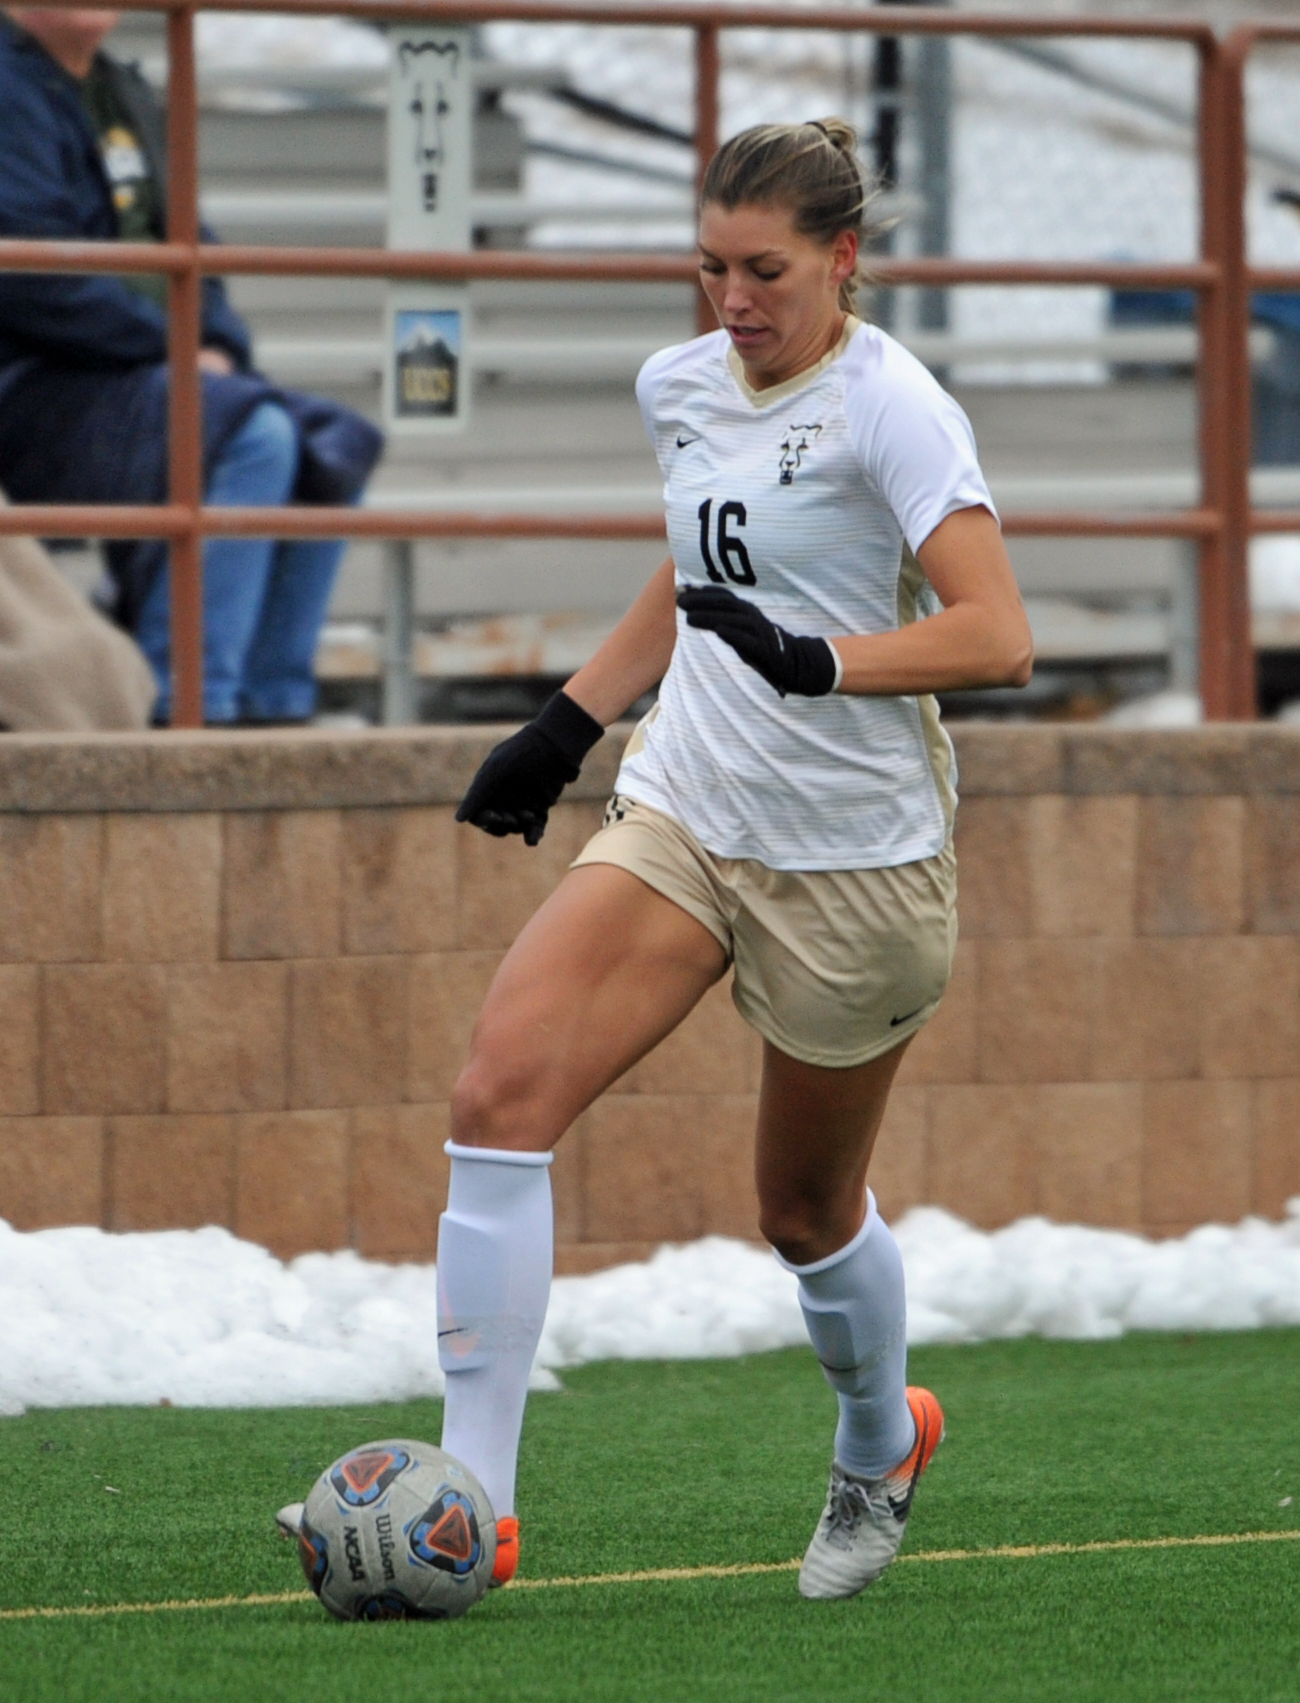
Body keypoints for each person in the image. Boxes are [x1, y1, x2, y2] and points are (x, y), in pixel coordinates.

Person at [279, 118, 1033, 1602]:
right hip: (686, 803)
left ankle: (880, 1436)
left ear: (841, 261)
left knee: (803, 1214)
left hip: (853, 865)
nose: (732, 299)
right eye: (708, 266)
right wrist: (564, 724)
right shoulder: (678, 384)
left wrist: (818, 661)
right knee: (498, 1095)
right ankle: (471, 1507)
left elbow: (998, 634)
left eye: (764, 270)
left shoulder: (895, 407)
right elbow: (699, 568)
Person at [0, 9, 383, 723]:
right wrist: (178, 347)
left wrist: (221, 348)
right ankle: (186, 712)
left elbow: (196, 250)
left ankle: (274, 711)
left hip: (136, 370)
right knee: (254, 436)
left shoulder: (123, 88)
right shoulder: (8, 85)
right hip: (35, 383)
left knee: (329, 444)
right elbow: (32, 276)